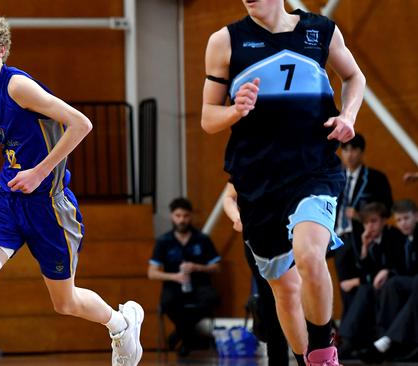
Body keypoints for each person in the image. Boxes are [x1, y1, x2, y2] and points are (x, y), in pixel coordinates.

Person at [0, 10, 143, 366]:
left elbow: (81, 124)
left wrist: (38, 172)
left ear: (1, 50)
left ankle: (122, 323)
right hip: (7, 203)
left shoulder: (18, 86)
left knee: (66, 303)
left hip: (49, 204)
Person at [201, 0, 366, 365]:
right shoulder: (225, 41)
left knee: (309, 255)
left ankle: (324, 353)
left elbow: (354, 76)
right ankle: (301, 356)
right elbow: (208, 118)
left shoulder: (321, 31)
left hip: (313, 168)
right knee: (285, 288)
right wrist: (235, 110)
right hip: (257, 180)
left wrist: (348, 115)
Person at [223, 183, 290, 366]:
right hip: (256, 236)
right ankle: (277, 360)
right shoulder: (248, 158)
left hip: (291, 233)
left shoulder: (293, 157)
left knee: (293, 297)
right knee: (270, 299)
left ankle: (312, 356)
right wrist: (237, 217)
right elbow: (229, 196)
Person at [147, 197, 220, 357]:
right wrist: (175, 277)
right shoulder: (163, 241)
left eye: (185, 216)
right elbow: (152, 273)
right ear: (173, 216)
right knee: (167, 303)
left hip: (200, 285)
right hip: (174, 286)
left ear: (190, 216)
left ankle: (179, 334)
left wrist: (197, 267)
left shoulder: (202, 239)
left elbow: (216, 266)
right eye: (178, 216)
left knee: (211, 299)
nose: (182, 220)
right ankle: (188, 338)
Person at [334, 133, 393, 318]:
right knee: (344, 286)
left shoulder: (376, 178)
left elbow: (387, 208)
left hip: (363, 238)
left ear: (362, 152)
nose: (349, 154)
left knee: (364, 285)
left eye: (354, 150)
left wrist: (361, 216)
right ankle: (348, 331)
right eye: (346, 150)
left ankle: (361, 333)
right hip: (339, 239)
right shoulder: (335, 177)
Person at [336, 202, 404, 357]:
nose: (370, 226)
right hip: (378, 286)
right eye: (366, 222)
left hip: (394, 285)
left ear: (384, 221)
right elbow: (366, 271)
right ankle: (349, 340)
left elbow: (397, 267)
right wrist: (365, 248)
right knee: (362, 291)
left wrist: (358, 281)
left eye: (374, 221)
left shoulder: (393, 236)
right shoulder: (369, 240)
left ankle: (347, 340)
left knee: (363, 289)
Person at [358, 199, 418, 363]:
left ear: (416, 216)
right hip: (411, 282)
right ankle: (384, 339)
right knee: (391, 284)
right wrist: (388, 271)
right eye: (399, 220)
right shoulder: (406, 239)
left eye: (406, 218)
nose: (403, 223)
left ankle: (388, 340)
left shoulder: (396, 237)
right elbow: (397, 268)